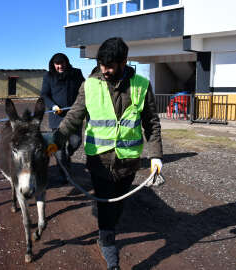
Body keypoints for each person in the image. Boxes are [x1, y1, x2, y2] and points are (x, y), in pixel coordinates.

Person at [53, 37, 163, 270]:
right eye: (101, 65)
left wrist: (156, 156)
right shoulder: (90, 85)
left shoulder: (142, 85)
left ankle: (108, 231)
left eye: (110, 66)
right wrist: (55, 142)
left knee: (119, 201)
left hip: (129, 161)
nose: (105, 70)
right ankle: (107, 242)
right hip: (99, 160)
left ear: (124, 62)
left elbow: (151, 123)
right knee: (105, 202)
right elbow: (74, 117)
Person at [40, 53, 85, 183]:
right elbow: (44, 95)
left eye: (62, 63)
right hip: (57, 117)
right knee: (59, 148)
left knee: (76, 141)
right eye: (57, 64)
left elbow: (84, 90)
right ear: (53, 64)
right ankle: (63, 174)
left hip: (74, 114)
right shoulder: (48, 77)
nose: (60, 66)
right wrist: (53, 106)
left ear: (67, 62)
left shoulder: (76, 73)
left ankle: (68, 153)